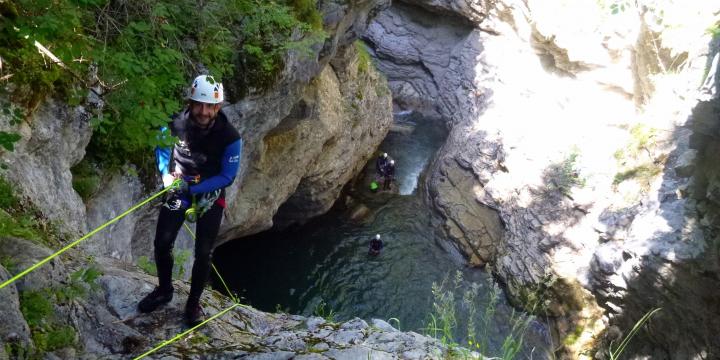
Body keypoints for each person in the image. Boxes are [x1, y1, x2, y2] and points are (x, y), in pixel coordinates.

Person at [138, 74, 243, 326]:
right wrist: (165, 174)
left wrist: (195, 188)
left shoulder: (230, 137)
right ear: (191, 102)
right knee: (162, 242)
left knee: (204, 252)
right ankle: (164, 290)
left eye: (210, 106)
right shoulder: (176, 123)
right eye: (199, 104)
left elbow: (227, 176)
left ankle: (193, 303)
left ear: (218, 107)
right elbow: (162, 148)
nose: (203, 111)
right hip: (180, 187)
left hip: (209, 193)